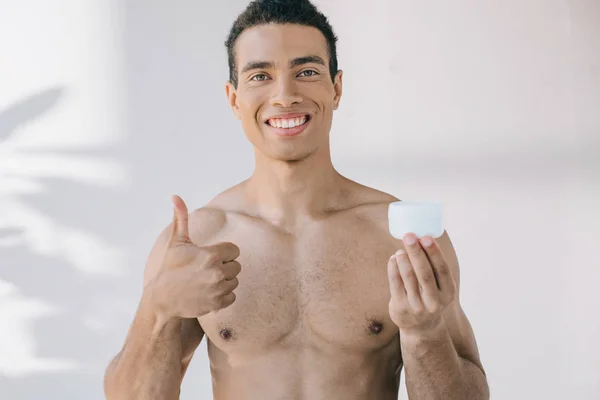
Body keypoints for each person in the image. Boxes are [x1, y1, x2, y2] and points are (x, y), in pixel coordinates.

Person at [103, 0, 489, 398]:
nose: (285, 95)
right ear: (234, 98)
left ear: (336, 88)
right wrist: (158, 309)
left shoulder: (400, 237)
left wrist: (424, 333)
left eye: (306, 72)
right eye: (260, 76)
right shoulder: (196, 239)